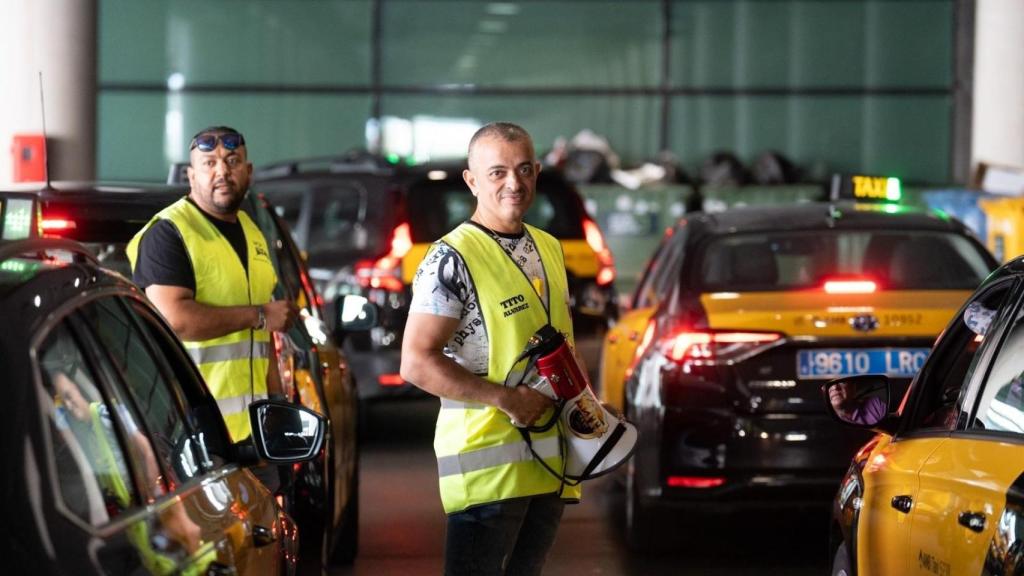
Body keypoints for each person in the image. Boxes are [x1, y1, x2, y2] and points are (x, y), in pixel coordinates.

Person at [401, 122, 581, 576]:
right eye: (497, 172)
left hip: (548, 464)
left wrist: (590, 411)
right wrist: (506, 399)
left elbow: (562, 347)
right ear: (472, 181)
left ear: (537, 172)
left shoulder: (549, 248)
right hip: (488, 471)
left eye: (524, 170)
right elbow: (416, 362)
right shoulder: (451, 259)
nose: (513, 183)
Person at [127, 126, 296, 488]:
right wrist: (260, 314)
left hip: (253, 433)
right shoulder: (169, 233)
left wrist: (276, 407)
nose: (222, 171)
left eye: (232, 161)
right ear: (191, 175)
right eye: (209, 163)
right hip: (192, 436)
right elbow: (175, 319)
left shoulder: (252, 232)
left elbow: (263, 339)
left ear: (248, 172)